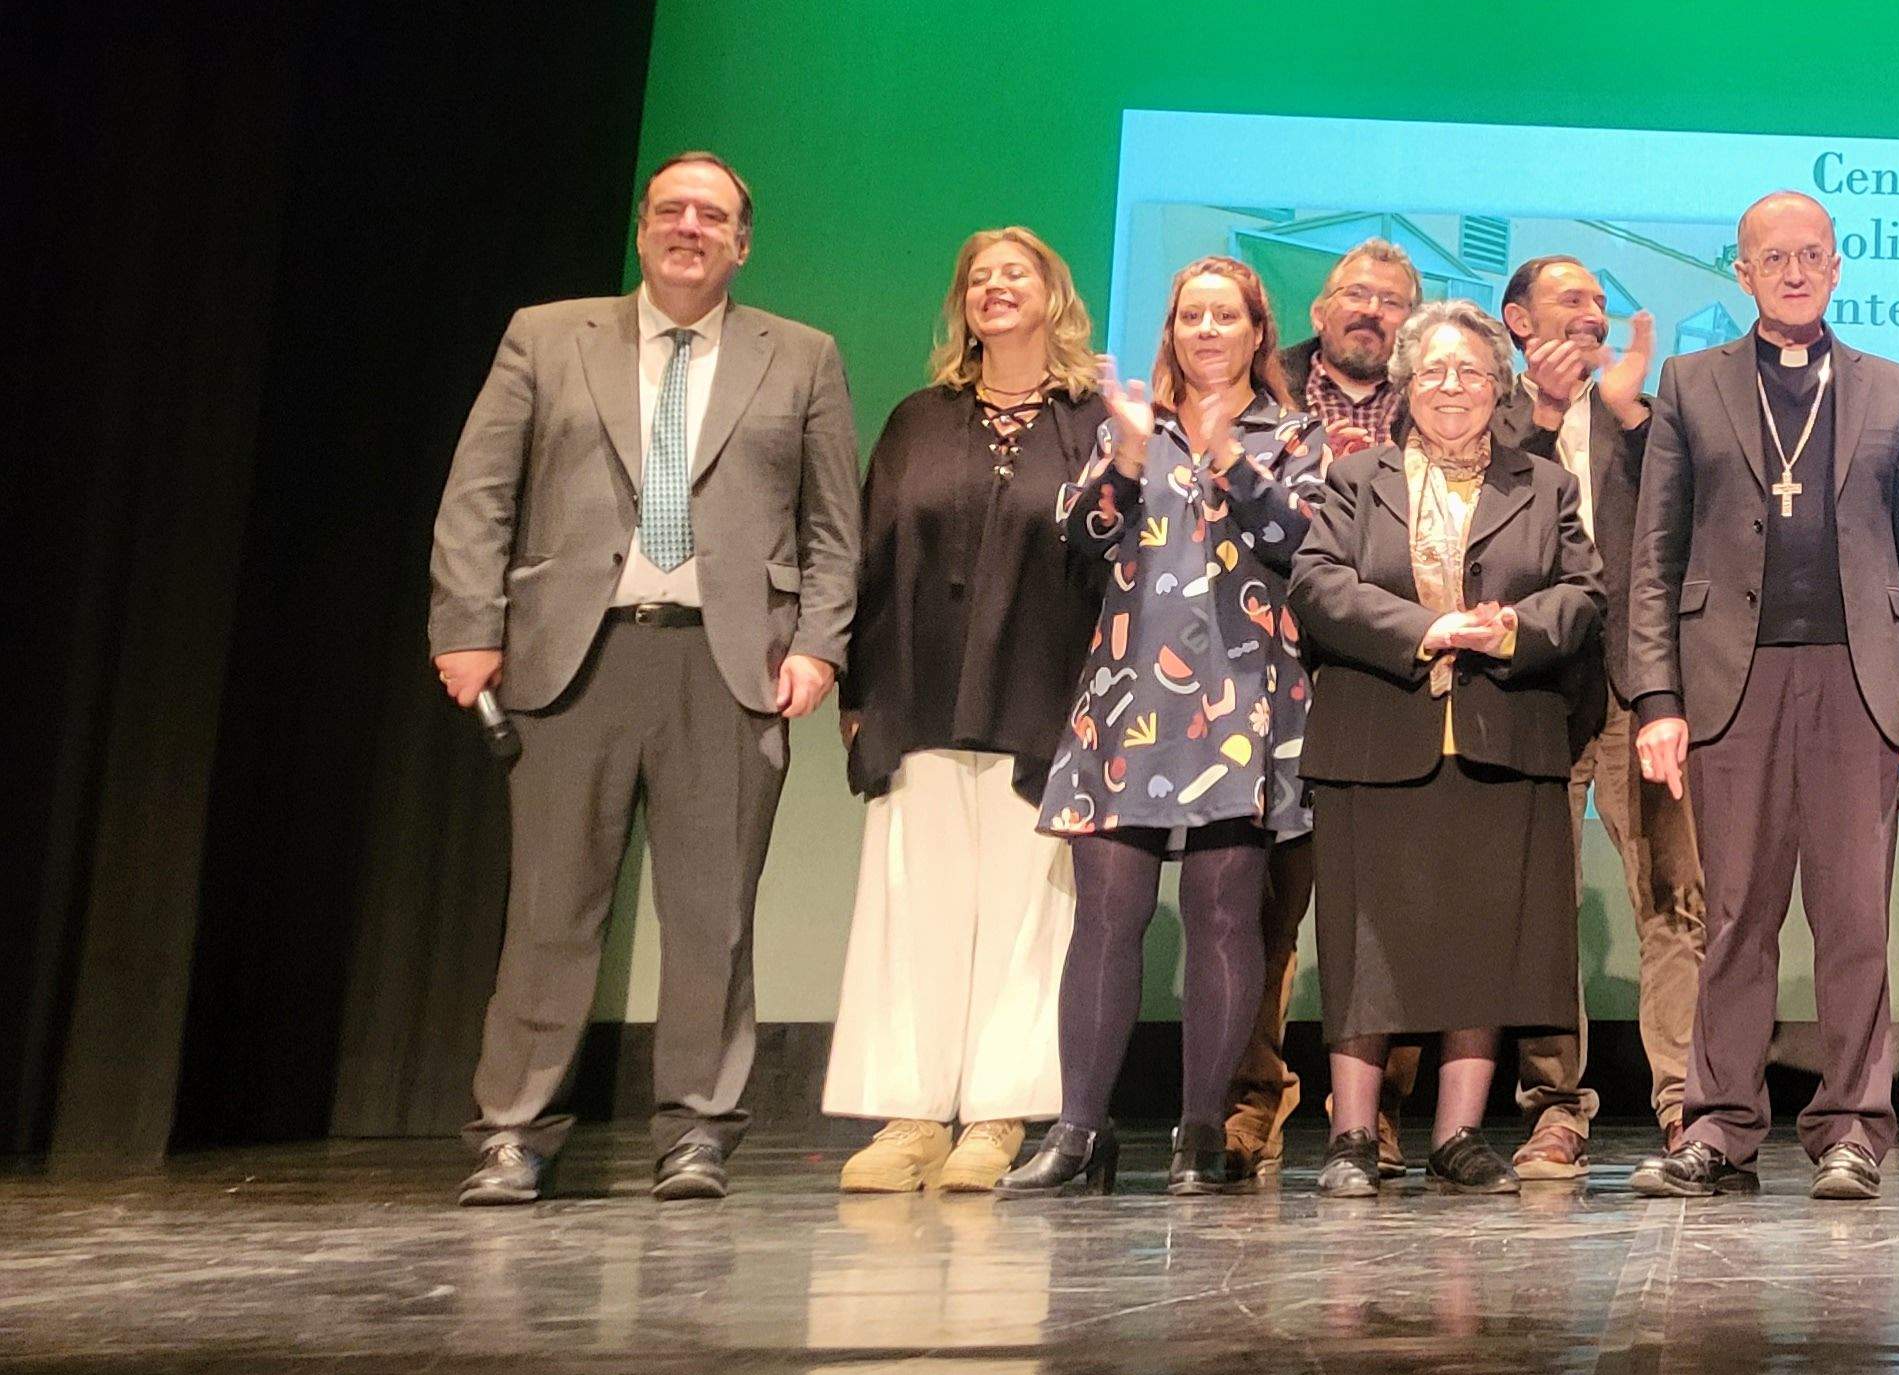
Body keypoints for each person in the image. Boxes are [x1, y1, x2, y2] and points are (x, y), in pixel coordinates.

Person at [429, 151, 861, 1206]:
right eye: (670, 209)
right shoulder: (548, 334)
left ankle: (698, 1128)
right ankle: (514, 1131)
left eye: (711, 215)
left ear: (741, 242)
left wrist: (819, 644)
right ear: (640, 229)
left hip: (729, 663)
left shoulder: (800, 355)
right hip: (573, 654)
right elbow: (478, 493)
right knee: (550, 909)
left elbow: (832, 527)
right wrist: (465, 625)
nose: (688, 227)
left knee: (713, 913)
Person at [1621, 191, 1899, 1201]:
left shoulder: (1892, 389)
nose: (1796, 271)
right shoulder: (1690, 383)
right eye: (1775, 257)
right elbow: (1654, 553)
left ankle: (1852, 1125)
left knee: (1854, 917)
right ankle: (1719, 1125)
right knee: (1736, 915)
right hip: (1731, 682)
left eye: (1812, 255)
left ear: (1839, 265)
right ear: (1743, 272)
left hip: (1858, 682)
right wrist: (1655, 698)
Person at [999, 257, 1329, 1197]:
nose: (1209, 331)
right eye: (1193, 315)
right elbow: (1082, 539)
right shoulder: (1127, 430)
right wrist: (1135, 455)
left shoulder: (1294, 435)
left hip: (1242, 699)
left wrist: (1230, 459)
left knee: (1225, 915)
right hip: (1129, 699)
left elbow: (1303, 545)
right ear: (1173, 329)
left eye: (1228, 316)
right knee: (1108, 915)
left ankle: (1197, 1136)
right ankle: (1079, 1134)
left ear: (1259, 332)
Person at [1288, 300, 1605, 1196]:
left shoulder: (1545, 485)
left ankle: (1458, 1135)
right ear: (1405, 387)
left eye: (1471, 372)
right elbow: (1317, 582)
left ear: (1501, 387)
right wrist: (1429, 629)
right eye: (1433, 372)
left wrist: (1509, 633)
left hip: (1503, 739)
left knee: (1483, 943)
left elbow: (1584, 594)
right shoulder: (1356, 478)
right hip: (1375, 738)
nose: (1452, 387)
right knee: (1366, 944)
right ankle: (1353, 1135)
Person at [824, 227, 1108, 1193]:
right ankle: (910, 1116)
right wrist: (856, 688)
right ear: (964, 304)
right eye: (979, 278)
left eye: (1014, 273)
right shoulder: (917, 418)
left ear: (1052, 296)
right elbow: (866, 553)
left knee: (1034, 908)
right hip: (918, 686)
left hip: (1048, 693)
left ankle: (995, 1117)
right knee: (915, 900)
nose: (995, 287)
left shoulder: (1095, 423)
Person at [1485, 256, 1692, 1182]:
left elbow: (1675, 530)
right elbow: (1486, 522)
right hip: (1530, 685)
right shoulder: (1479, 409)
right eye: (1573, 301)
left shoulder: (1633, 417)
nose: (1594, 317)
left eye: (1602, 304)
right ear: (1518, 320)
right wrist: (1543, 416)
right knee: (1538, 906)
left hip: (1633, 684)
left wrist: (1628, 412)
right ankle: (1555, 1109)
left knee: (1674, 897)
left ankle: (1687, 1101)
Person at [1223, 237, 1424, 1176]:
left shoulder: (1443, 402)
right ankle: (1254, 1095)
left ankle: (1375, 1111)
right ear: (1317, 311)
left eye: (1391, 301)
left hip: (1398, 677)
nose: (1370, 312)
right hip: (1269, 673)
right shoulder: (1266, 394)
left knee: (1392, 908)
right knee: (1265, 905)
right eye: (1355, 295)